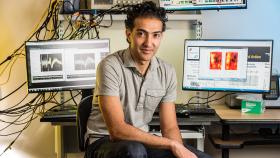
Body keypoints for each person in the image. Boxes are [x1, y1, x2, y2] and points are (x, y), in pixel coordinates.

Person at [86, 1, 212, 158]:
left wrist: (179, 150)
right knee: (134, 151)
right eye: (141, 33)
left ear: (161, 37)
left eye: (155, 35)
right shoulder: (110, 66)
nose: (148, 43)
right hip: (103, 141)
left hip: (142, 142)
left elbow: (170, 128)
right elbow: (117, 130)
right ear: (128, 34)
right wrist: (171, 145)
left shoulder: (166, 72)